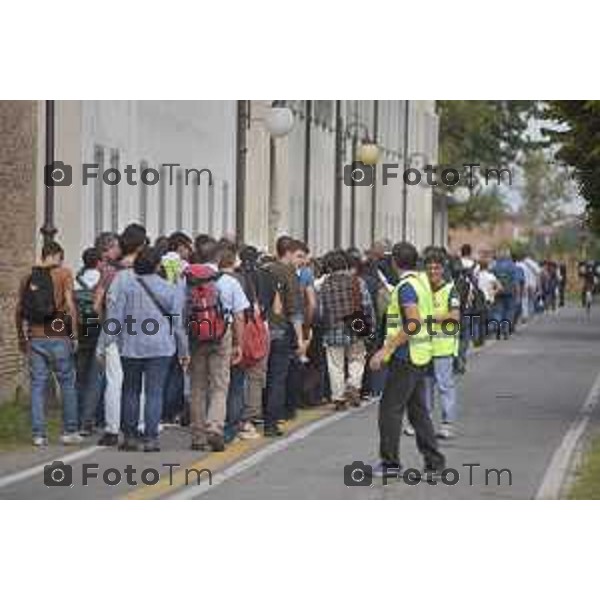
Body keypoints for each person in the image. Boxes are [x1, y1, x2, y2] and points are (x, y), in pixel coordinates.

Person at [369, 242, 445, 479]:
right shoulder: (423, 283)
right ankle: (434, 462)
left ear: (394, 262)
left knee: (390, 410)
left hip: (405, 355)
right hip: (420, 354)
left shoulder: (406, 287)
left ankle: (390, 463)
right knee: (418, 411)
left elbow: (411, 324)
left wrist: (386, 349)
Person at [106, 246, 189, 452]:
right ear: (157, 265)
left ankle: (130, 437)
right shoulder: (170, 288)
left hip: (131, 345)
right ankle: (151, 438)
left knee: (130, 390)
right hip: (161, 347)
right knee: (154, 392)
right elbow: (177, 324)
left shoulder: (126, 286)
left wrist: (107, 342)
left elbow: (115, 317)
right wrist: (183, 350)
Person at [16, 241, 81, 446]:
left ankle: (38, 434)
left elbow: (19, 311)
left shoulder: (28, 277)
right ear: (56, 255)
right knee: (67, 383)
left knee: (37, 386)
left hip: (35, 337)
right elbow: (70, 304)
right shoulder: (64, 274)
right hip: (59, 335)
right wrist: (75, 334)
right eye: (61, 258)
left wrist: (21, 337)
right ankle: (69, 431)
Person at [188, 237, 249, 452]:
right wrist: (238, 344)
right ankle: (215, 428)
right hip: (222, 334)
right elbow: (240, 315)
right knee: (220, 385)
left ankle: (197, 435)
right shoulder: (229, 280)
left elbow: (178, 311)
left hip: (195, 335)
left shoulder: (187, 278)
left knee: (197, 386)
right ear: (217, 257)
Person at [94, 224, 147, 446]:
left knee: (114, 380)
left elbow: (102, 306)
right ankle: (141, 425)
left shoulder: (112, 272)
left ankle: (112, 429)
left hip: (116, 330)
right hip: (143, 330)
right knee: (139, 382)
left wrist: (104, 332)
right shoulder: (150, 269)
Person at [261, 236, 307, 436]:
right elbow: (295, 311)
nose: (302, 261)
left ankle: (256, 415)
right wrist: (300, 340)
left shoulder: (264, 271)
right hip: (281, 331)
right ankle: (271, 422)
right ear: (288, 253)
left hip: (261, 330)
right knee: (277, 378)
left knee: (262, 376)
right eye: (299, 256)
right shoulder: (290, 274)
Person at [318, 250, 375, 410]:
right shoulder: (357, 281)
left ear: (329, 268)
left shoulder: (324, 285)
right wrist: (370, 327)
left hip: (332, 326)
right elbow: (367, 305)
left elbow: (321, 311)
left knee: (335, 364)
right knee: (357, 358)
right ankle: (353, 385)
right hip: (356, 322)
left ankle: (338, 398)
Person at [424, 251, 460, 439]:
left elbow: (454, 317)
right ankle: (425, 421)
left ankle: (447, 424)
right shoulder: (422, 289)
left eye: (436, 268)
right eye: (429, 268)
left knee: (445, 386)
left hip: (443, 347)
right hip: (423, 346)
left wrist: (431, 318)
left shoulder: (450, 290)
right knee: (424, 386)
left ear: (443, 269)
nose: (432, 271)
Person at [74, 247, 103, 434]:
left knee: (79, 377)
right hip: (97, 330)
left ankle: (74, 419)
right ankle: (87, 421)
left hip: (79, 329)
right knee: (95, 377)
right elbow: (101, 307)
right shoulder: (102, 279)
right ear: (98, 261)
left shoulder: (76, 280)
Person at [491, 248, 518, 339]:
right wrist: (517, 291)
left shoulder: (495, 266)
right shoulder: (512, 266)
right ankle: (506, 330)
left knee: (498, 310)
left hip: (498, 291)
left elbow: (492, 280)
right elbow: (515, 280)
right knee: (509, 311)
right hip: (510, 291)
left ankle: (498, 328)